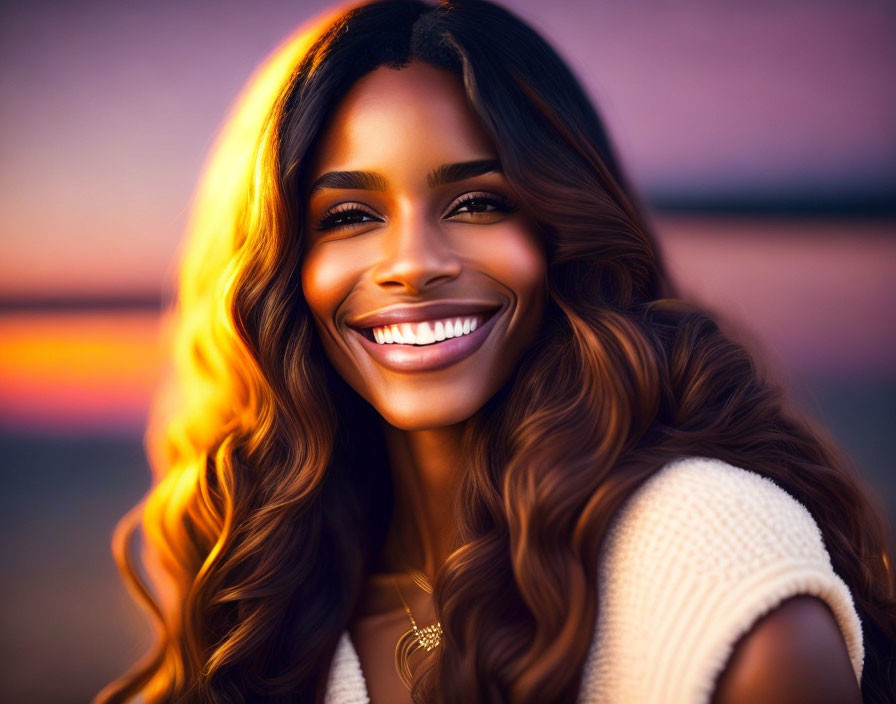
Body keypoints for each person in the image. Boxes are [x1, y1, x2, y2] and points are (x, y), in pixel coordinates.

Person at [97, 1, 896, 702]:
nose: (413, 262)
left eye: (478, 202)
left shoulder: (710, 554)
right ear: (281, 269)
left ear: (562, 233)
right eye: (347, 215)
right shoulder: (271, 598)